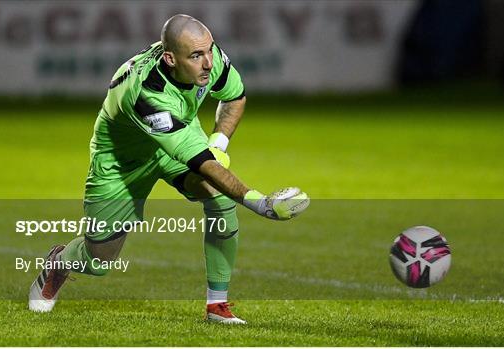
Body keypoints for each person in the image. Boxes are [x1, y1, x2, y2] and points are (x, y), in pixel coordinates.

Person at [28, 14, 309, 324]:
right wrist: (260, 203)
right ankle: (59, 263)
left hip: (177, 137)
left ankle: (217, 306)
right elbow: (201, 164)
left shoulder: (211, 59)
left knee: (220, 200)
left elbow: (235, 96)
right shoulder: (147, 94)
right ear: (170, 59)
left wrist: (218, 144)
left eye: (209, 50)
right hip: (122, 162)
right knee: (99, 262)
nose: (208, 63)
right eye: (196, 56)